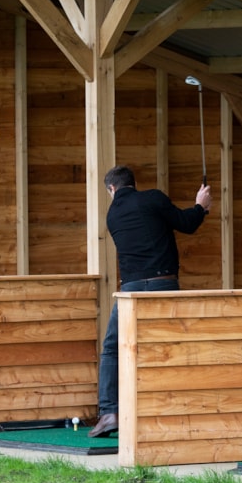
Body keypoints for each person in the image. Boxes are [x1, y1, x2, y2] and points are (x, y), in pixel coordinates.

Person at [89, 165, 212, 438]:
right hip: (164, 284)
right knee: (172, 345)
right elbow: (187, 223)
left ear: (112, 189)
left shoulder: (113, 215)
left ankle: (110, 412)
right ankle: (180, 409)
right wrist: (200, 206)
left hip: (131, 288)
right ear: (133, 183)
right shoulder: (153, 198)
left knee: (112, 349)